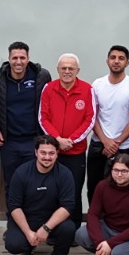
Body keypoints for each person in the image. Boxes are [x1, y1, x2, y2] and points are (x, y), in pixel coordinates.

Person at [4, 136, 78, 255]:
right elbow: (14, 206)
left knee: (69, 228)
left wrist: (46, 228)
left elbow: (67, 206)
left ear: (57, 154)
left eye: (51, 153)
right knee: (13, 245)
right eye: (43, 152)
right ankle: (29, 245)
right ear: (36, 152)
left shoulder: (65, 174)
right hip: (27, 219)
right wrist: (28, 232)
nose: (47, 157)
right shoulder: (21, 172)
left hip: (52, 220)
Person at [38, 53, 96, 218]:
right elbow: (43, 117)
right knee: (50, 191)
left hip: (76, 152)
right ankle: (50, 227)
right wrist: (57, 140)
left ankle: (73, 227)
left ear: (78, 70)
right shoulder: (48, 88)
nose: (67, 71)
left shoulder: (87, 90)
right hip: (52, 152)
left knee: (74, 191)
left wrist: (71, 140)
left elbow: (90, 119)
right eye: (63, 68)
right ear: (58, 70)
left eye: (71, 68)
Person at [87, 45, 129, 202]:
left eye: (121, 58)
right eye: (113, 58)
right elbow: (92, 116)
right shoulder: (97, 84)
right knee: (94, 188)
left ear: (127, 63)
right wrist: (106, 141)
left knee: (119, 191)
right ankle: (94, 217)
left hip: (123, 147)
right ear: (107, 61)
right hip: (98, 145)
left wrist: (115, 143)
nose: (116, 61)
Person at [77, 152, 129, 255]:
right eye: (116, 170)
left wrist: (110, 244)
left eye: (124, 171)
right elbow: (93, 214)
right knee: (81, 235)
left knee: (119, 254)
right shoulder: (102, 186)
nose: (119, 174)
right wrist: (100, 243)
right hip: (108, 228)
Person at [0, 41, 52, 182]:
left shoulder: (41, 76)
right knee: (11, 183)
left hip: (34, 140)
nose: (18, 62)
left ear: (28, 59)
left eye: (22, 58)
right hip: (9, 142)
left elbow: (50, 105)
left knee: (34, 183)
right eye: (15, 58)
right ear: (9, 59)